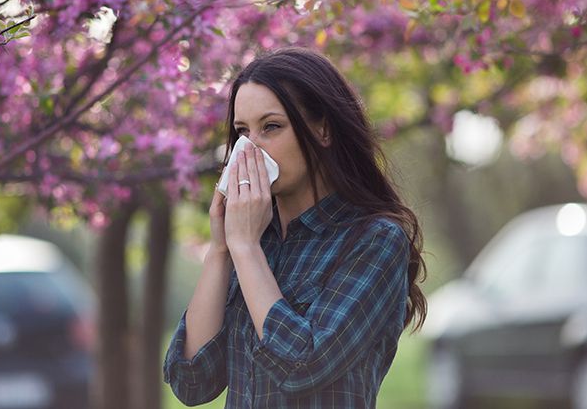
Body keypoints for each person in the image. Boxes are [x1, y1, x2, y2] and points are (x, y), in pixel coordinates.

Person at [163, 47, 427, 408]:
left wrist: (246, 250)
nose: (250, 150)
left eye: (270, 127)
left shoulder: (374, 240)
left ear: (323, 129)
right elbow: (191, 382)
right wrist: (222, 250)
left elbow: (303, 367)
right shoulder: (255, 240)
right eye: (242, 132)